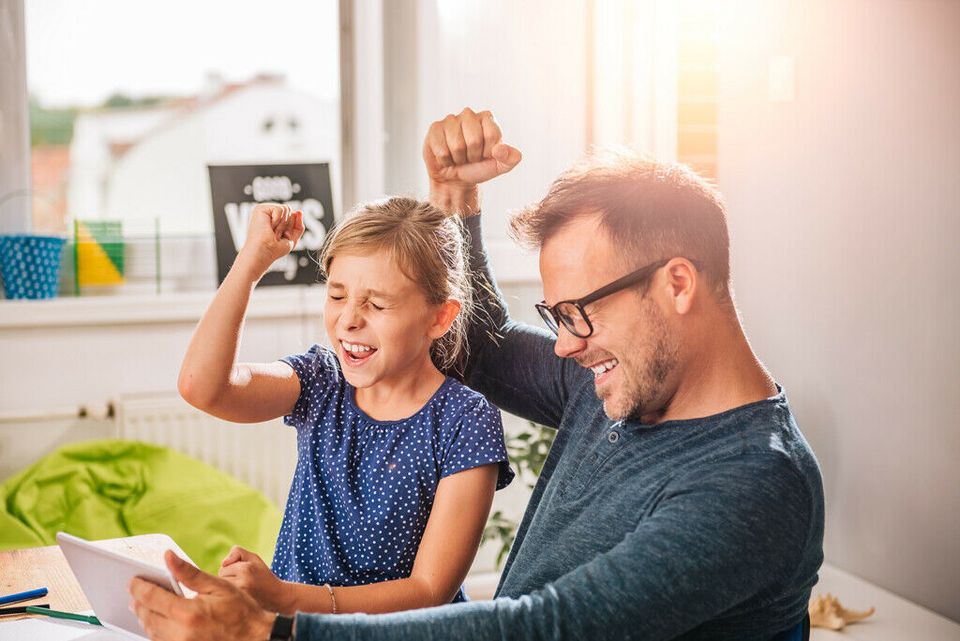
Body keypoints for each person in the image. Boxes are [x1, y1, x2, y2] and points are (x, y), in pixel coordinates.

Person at [130, 108, 824, 641]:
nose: (563, 347)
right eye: (557, 316)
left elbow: (546, 626)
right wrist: (454, 199)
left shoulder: (754, 481)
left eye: (578, 312)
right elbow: (479, 347)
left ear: (677, 283)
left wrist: (274, 626)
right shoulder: (615, 382)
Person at [175, 196, 514, 616]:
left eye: (376, 304)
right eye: (337, 296)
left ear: (439, 318)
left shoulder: (465, 419)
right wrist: (251, 262)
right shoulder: (322, 379)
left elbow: (430, 590)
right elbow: (203, 388)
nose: (348, 319)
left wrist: (286, 599)